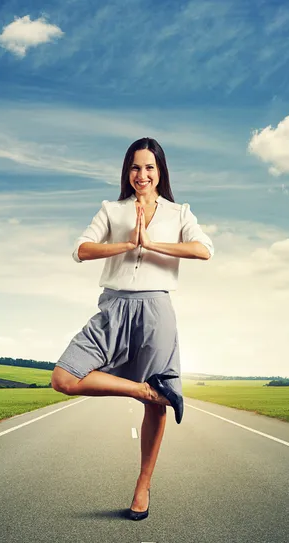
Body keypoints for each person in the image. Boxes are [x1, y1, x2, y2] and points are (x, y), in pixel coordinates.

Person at [50, 137, 214, 520]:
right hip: (113, 306)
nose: (142, 175)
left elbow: (204, 249)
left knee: (153, 411)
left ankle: (143, 485)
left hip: (157, 306)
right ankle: (144, 389)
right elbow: (81, 249)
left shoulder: (179, 212)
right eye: (135, 167)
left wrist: (152, 244)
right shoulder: (112, 209)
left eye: (150, 167)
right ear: (127, 172)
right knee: (64, 378)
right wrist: (125, 245)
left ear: (161, 172)